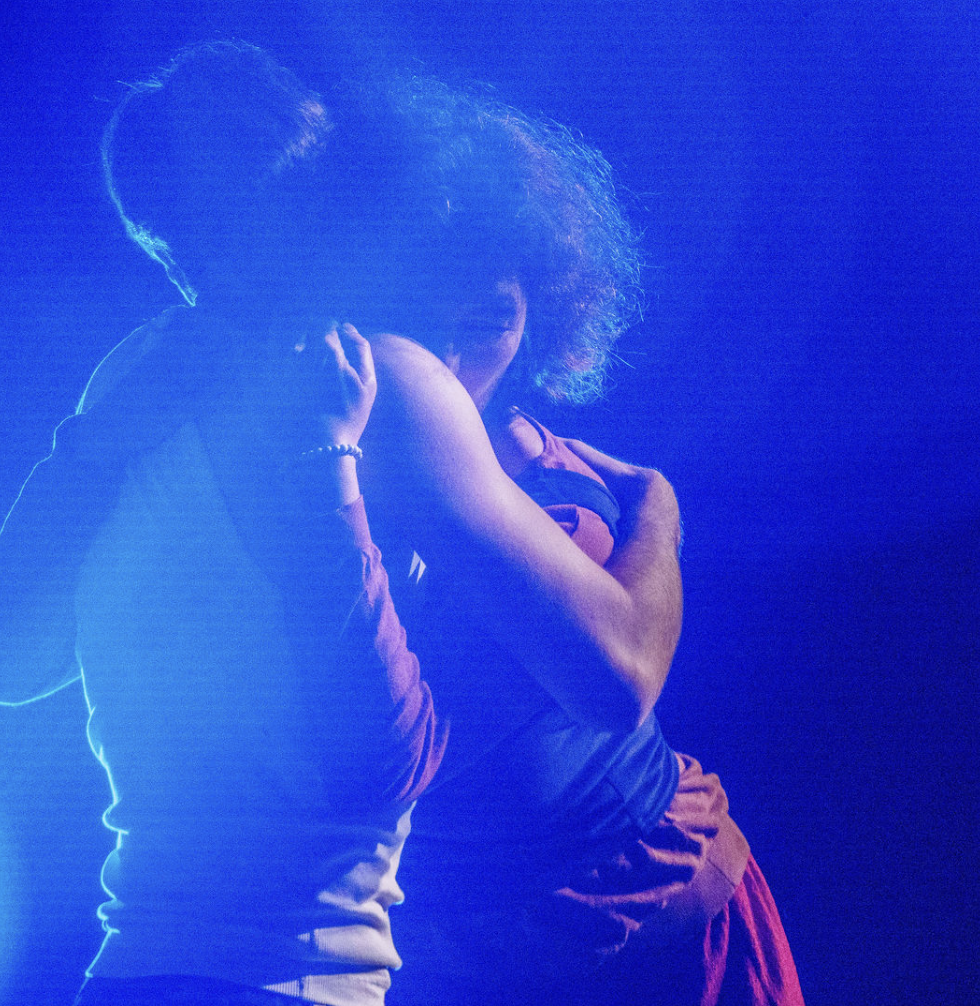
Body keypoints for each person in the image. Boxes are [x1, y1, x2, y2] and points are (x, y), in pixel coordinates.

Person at [0, 42, 448, 1006]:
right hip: (284, 976)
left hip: (141, 965)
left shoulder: (131, 381)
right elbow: (388, 762)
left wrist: (87, 451)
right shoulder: (367, 385)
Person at [325, 76, 804, 1005]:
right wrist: (658, 513)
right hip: (473, 947)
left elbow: (623, 680)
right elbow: (616, 672)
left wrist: (654, 513)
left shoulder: (539, 458)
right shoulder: (325, 454)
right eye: (430, 322)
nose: (454, 360)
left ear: (541, 311)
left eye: (492, 321)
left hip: (676, 910)